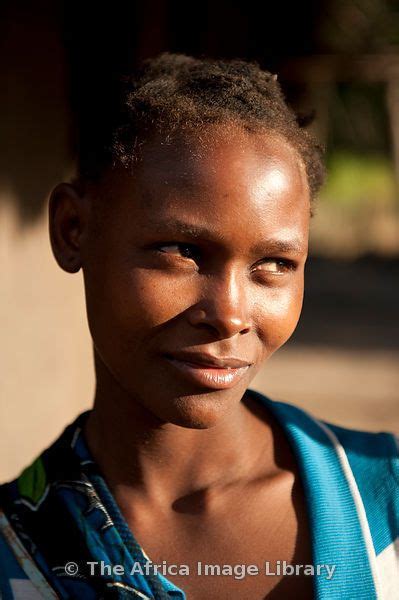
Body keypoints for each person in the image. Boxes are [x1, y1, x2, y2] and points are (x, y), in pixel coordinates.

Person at [0, 53, 397, 600]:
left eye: (275, 265)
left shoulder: (383, 500)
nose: (230, 313)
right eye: (182, 251)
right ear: (73, 229)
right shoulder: (18, 554)